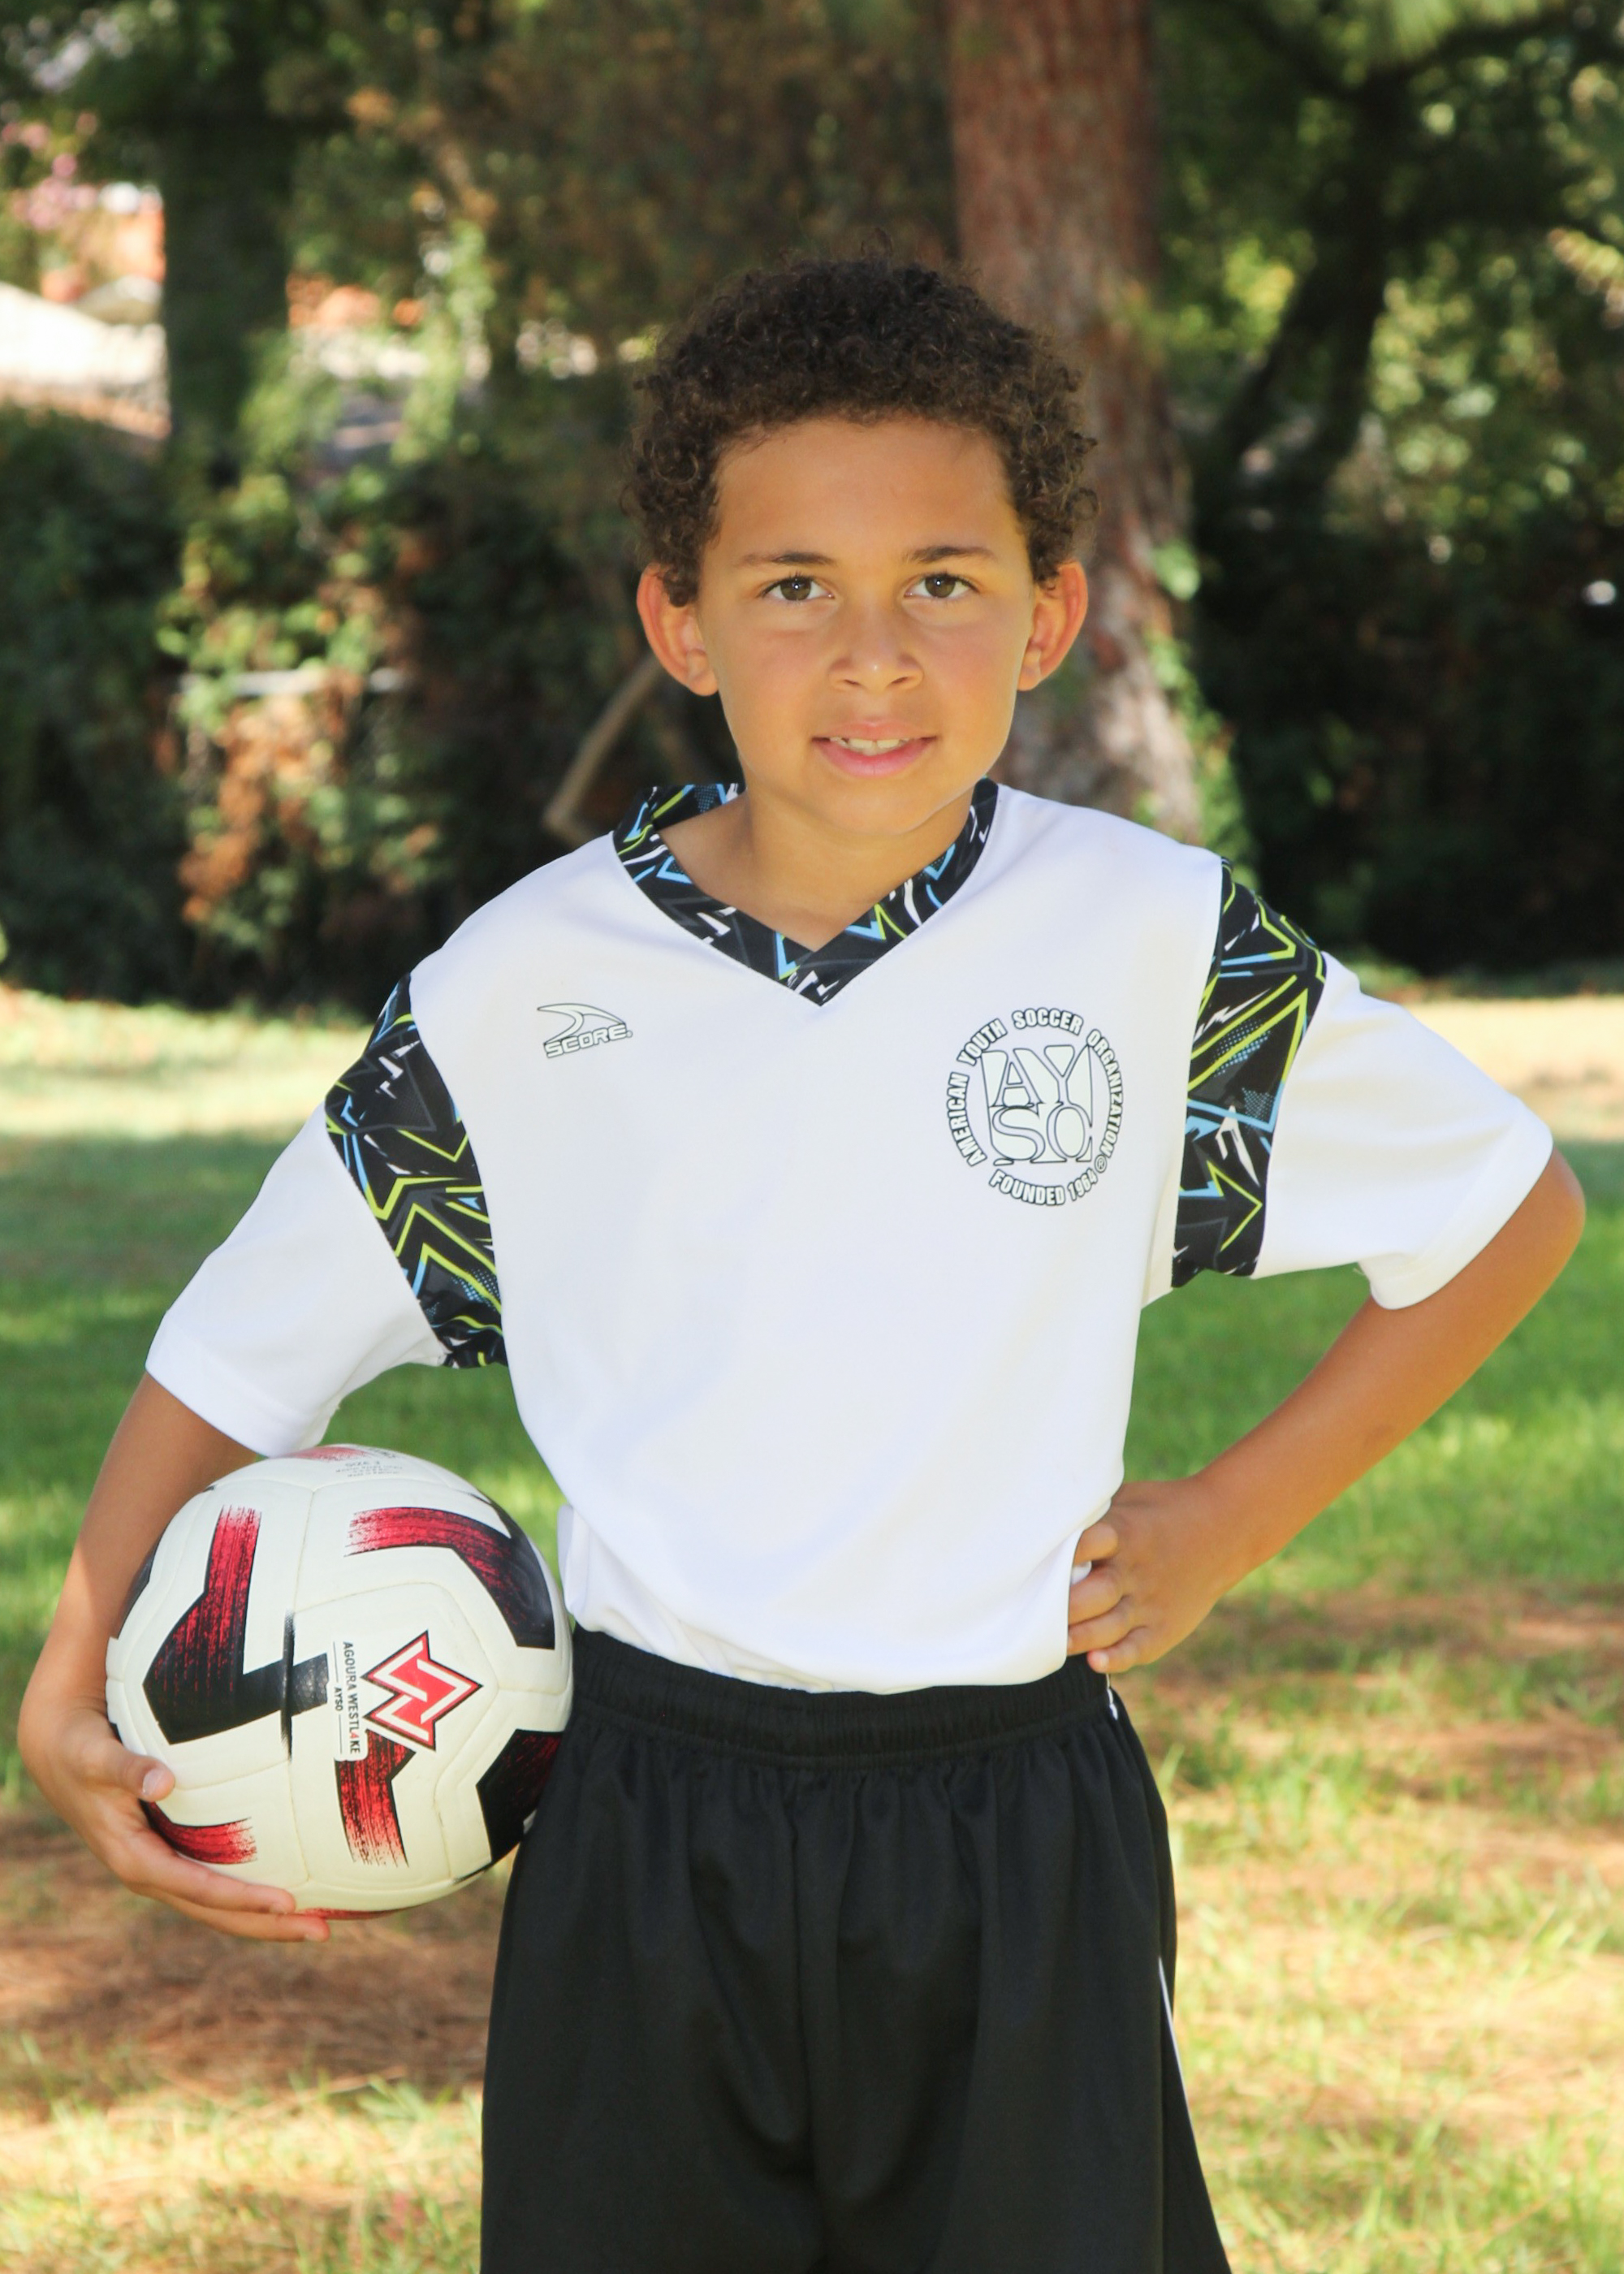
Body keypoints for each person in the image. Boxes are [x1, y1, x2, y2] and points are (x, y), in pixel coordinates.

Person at [20, 257, 1583, 2274]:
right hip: (641, 1815)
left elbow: (1502, 1209)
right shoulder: (526, 987)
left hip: (1016, 1813)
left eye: (942, 580)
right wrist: (74, 1667)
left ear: (1047, 614)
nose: (872, 654)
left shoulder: (1148, 943)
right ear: (678, 620)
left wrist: (1224, 1518)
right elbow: (243, 1350)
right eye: (791, 587)